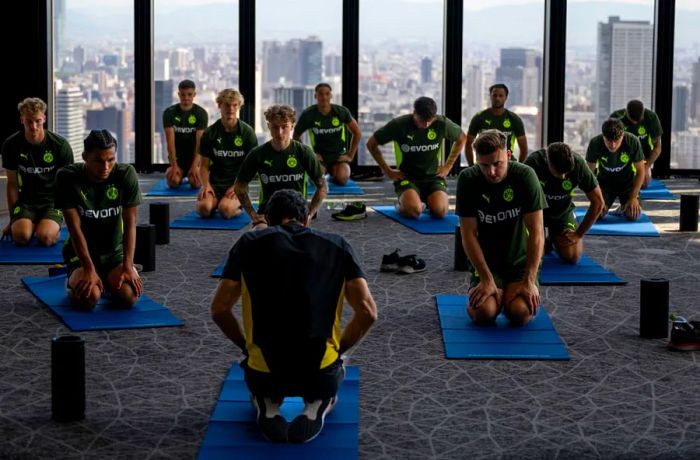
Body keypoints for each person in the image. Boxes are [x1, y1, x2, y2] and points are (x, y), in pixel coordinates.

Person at [211, 189, 377, 443]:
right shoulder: (338, 246)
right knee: (334, 369)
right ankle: (316, 406)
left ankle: (268, 404)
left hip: (265, 374)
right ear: (307, 219)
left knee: (258, 372)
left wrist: (246, 346)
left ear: (268, 221)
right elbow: (368, 313)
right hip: (320, 374)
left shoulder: (248, 245)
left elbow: (219, 310)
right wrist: (339, 350)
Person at [456, 130, 546, 326]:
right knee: (483, 313)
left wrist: (530, 280)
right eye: (484, 166)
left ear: (508, 155)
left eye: (497, 164)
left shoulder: (525, 176)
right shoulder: (467, 179)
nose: (491, 172)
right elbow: (468, 235)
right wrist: (487, 279)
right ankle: (496, 290)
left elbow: (537, 232)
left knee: (520, 313)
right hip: (487, 262)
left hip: (520, 261)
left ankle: (508, 294)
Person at [55, 130, 142, 310]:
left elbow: (131, 225)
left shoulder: (126, 174)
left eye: (111, 160)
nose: (105, 167)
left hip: (113, 253)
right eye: (98, 161)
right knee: (88, 298)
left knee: (128, 298)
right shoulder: (67, 177)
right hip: (80, 254)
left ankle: (107, 283)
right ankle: (73, 281)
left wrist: (127, 265)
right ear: (85, 157)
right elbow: (74, 229)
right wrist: (88, 268)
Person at [366, 96, 466, 219]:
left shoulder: (441, 123)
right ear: (414, 113)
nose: (426, 125)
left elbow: (462, 138)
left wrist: (448, 166)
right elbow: (371, 144)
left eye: (430, 121)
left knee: (440, 212)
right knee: (414, 211)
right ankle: (401, 203)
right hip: (407, 177)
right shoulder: (399, 125)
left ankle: (427, 203)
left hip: (433, 177)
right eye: (422, 120)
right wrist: (387, 170)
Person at [234, 104, 326, 229]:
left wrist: (309, 214)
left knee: (299, 244)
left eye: (285, 127)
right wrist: (253, 214)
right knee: (259, 235)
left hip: (296, 212)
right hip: (267, 212)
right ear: (268, 127)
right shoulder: (257, 154)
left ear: (292, 126)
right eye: (275, 127)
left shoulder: (304, 152)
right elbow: (239, 187)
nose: (280, 132)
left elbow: (322, 187)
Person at [1, 97, 73, 246]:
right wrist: (13, 218)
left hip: (52, 202)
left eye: (38, 121)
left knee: (46, 238)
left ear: (44, 119)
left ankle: (47, 226)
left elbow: (66, 186)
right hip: (26, 201)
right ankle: (27, 224)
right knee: (21, 237)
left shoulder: (60, 145)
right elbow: (12, 184)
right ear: (22, 120)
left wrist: (71, 219)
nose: (33, 126)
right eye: (29, 121)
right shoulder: (11, 145)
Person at [524, 142, 604, 264]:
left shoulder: (579, 164)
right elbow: (518, 199)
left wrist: (578, 234)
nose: (563, 177)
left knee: (572, 256)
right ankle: (543, 241)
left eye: (566, 173)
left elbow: (598, 202)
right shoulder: (533, 163)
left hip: (561, 212)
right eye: (559, 172)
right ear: (548, 162)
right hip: (536, 213)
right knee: (535, 255)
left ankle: (552, 237)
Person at [197, 89, 257, 219]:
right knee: (203, 209)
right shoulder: (210, 133)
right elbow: (203, 166)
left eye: (235, 105)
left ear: (239, 107)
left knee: (225, 210)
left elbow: (252, 167)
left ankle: (239, 204)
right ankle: (216, 201)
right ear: (219, 105)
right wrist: (206, 185)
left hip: (237, 183)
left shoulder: (247, 133)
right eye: (227, 105)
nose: (231, 109)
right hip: (215, 183)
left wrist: (238, 185)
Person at [293, 83, 361, 185]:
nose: (324, 97)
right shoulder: (308, 114)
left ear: (331, 96)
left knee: (342, 179)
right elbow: (296, 136)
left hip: (339, 156)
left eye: (327, 94)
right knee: (316, 181)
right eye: (320, 94)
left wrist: (350, 156)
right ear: (316, 96)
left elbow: (357, 133)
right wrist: (310, 155)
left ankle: (332, 175)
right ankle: (324, 174)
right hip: (320, 157)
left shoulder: (341, 112)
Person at [586, 118, 645, 221]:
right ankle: (609, 206)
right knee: (597, 214)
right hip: (605, 185)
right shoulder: (595, 143)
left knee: (632, 215)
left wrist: (633, 197)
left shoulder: (632, 141)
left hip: (627, 184)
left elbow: (640, 170)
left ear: (622, 135)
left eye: (616, 140)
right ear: (603, 136)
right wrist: (596, 198)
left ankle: (622, 207)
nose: (612, 145)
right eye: (608, 140)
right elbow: (589, 174)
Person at [464, 83, 528, 165]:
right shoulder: (479, 118)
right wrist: (471, 166)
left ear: (506, 98)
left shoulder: (514, 119)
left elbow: (524, 148)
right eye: (494, 95)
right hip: (484, 164)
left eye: (501, 96)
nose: (497, 98)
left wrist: (520, 166)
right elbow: (468, 143)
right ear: (490, 96)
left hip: (508, 164)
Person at [163, 79, 208, 189]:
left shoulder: (201, 113)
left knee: (196, 183)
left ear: (194, 94)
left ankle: (195, 173)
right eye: (183, 95)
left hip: (195, 159)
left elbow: (200, 143)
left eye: (189, 94)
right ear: (178, 94)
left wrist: (195, 166)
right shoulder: (169, 113)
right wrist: (174, 166)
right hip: (178, 160)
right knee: (173, 182)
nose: (186, 98)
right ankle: (176, 172)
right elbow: (170, 143)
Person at [610, 99, 663, 189]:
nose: (635, 123)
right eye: (632, 121)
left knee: (643, 184)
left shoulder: (651, 117)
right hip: (623, 157)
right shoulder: (616, 119)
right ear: (626, 112)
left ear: (643, 112)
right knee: (622, 185)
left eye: (638, 121)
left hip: (643, 159)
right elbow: (611, 147)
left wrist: (646, 167)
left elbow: (657, 147)